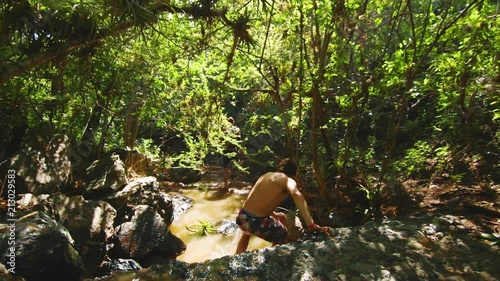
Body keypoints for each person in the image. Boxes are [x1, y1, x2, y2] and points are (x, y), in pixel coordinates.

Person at [235, 158, 330, 254]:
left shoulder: (266, 176)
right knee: (283, 234)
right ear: (295, 173)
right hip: (255, 222)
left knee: (247, 232)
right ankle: (271, 261)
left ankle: (237, 256)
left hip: (242, 217)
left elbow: (258, 200)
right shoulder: (287, 180)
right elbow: (297, 195)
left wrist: (274, 215)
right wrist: (311, 225)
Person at [222, 117, 240, 190]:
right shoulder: (237, 129)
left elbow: (221, 140)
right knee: (233, 167)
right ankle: (231, 182)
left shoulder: (225, 130)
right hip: (233, 150)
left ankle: (225, 185)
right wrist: (238, 150)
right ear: (233, 122)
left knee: (225, 168)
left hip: (226, 150)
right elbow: (239, 140)